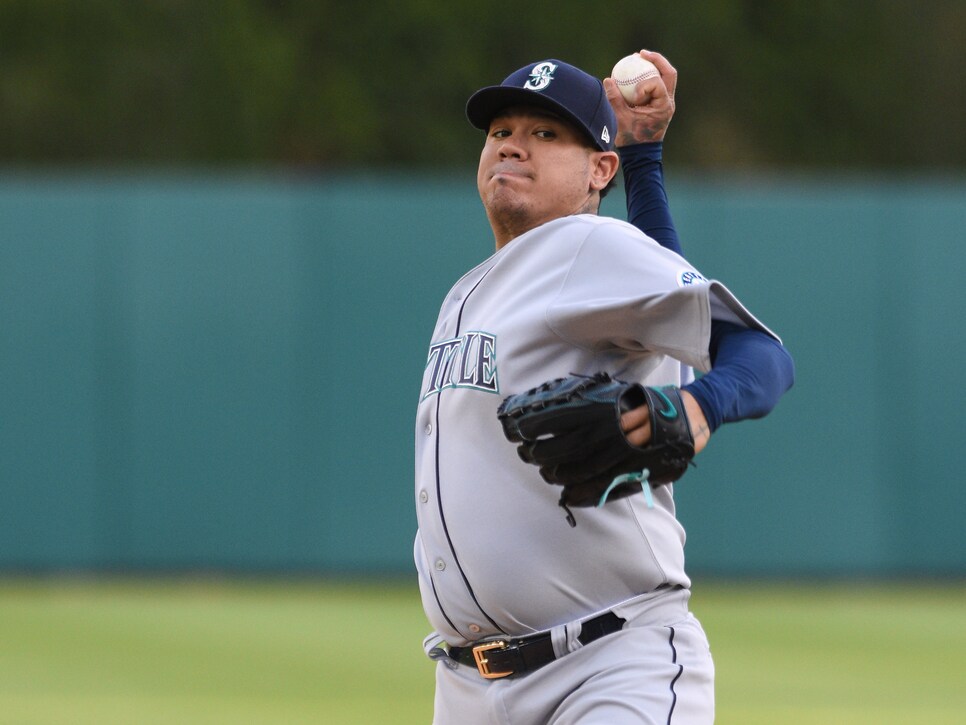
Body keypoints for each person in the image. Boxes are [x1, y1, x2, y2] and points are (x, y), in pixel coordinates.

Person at [414, 52, 794, 724]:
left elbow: (761, 353)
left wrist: (698, 405)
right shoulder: (466, 290)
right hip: (469, 686)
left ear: (599, 169)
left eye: (546, 134)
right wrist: (644, 154)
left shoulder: (586, 246)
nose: (513, 146)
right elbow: (666, 284)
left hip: (606, 666)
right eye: (502, 130)